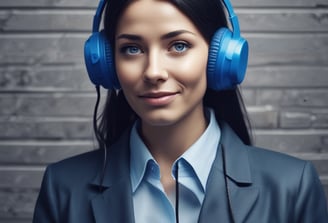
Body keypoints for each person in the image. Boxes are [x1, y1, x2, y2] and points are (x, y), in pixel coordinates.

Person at [33, 0, 328, 222]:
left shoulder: (292, 186)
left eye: (178, 45)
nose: (153, 72)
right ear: (108, 65)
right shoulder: (63, 187)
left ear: (221, 57)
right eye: (132, 49)